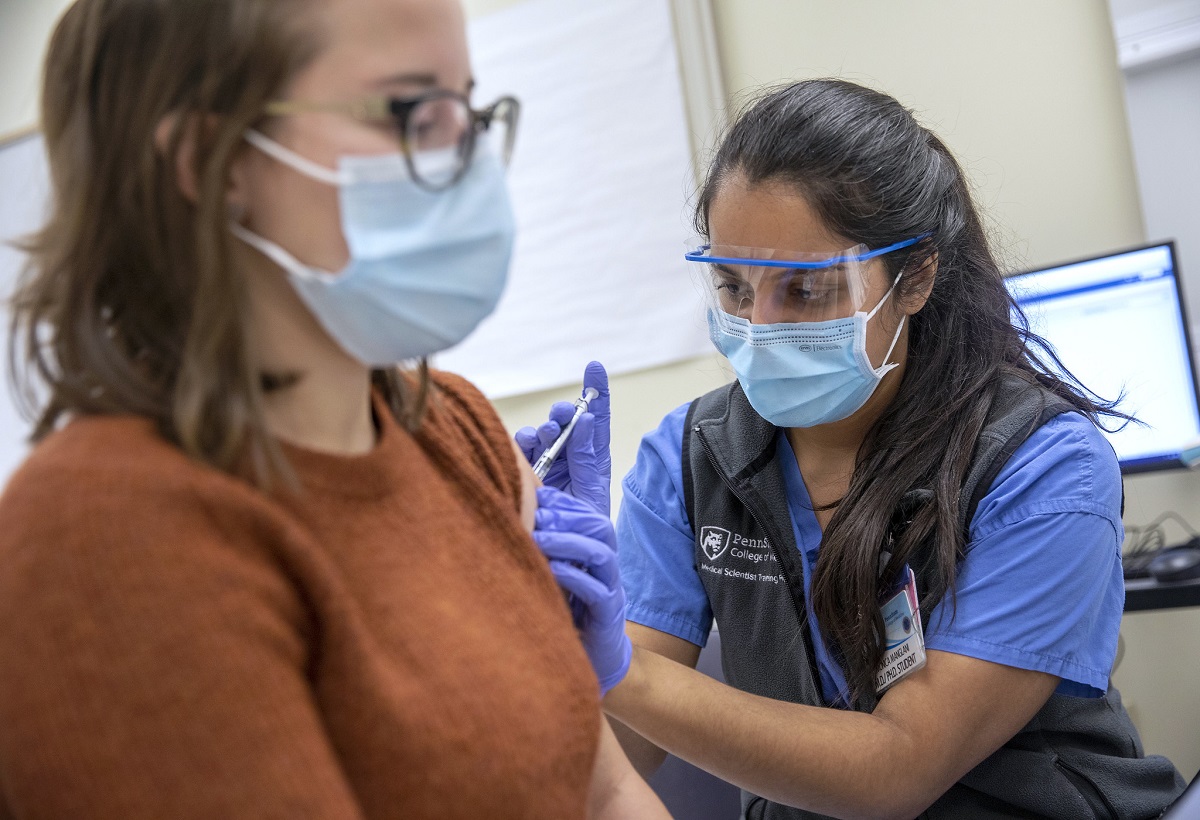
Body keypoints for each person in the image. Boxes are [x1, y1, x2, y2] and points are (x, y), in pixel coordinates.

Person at [0, 0, 669, 816]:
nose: (467, 160)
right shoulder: (105, 532)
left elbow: (604, 792)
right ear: (216, 161)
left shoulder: (450, 426)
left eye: (468, 108)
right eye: (413, 111)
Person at [522, 79, 1187, 818]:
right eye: (733, 287)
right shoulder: (689, 461)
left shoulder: (1040, 467)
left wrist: (620, 669)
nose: (761, 326)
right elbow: (632, 750)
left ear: (915, 276)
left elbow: (897, 770)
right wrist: (554, 623)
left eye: (806, 291)